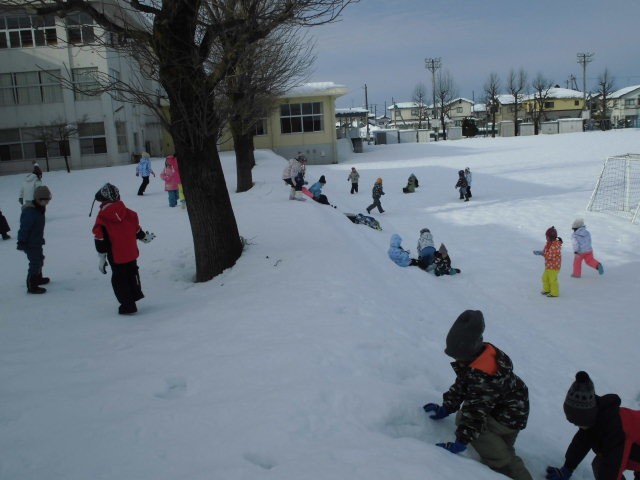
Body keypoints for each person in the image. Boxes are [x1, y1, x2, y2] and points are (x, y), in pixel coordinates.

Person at [424, 310, 533, 480]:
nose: (455, 359)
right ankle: (501, 453)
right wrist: (446, 408)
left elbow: (474, 413)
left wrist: (460, 443)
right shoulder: (478, 357)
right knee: (499, 445)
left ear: (468, 350)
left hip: (509, 417)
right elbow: (463, 384)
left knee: (501, 457)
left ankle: (505, 467)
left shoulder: (485, 376)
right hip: (502, 408)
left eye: (457, 355)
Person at [545, 371, 640, 480]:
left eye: (578, 422)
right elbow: (581, 443)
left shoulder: (614, 430)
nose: (577, 426)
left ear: (587, 417)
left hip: (632, 446)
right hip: (632, 449)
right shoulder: (594, 418)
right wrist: (567, 468)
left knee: (604, 465)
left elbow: (611, 468)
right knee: (599, 464)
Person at [91, 183, 155, 315]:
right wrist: (144, 237)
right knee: (132, 274)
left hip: (116, 255)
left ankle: (127, 304)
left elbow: (100, 239)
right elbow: (136, 229)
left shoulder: (102, 218)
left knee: (120, 279)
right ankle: (135, 295)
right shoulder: (129, 213)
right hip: (131, 252)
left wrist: (102, 258)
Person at [17, 186, 52, 294]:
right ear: (38, 199)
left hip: (36, 242)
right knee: (35, 263)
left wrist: (40, 238)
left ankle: (38, 278)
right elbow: (24, 228)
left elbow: (37, 227)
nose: (47, 203)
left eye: (48, 201)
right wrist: (21, 241)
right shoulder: (30, 212)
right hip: (29, 243)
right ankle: (32, 285)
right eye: (45, 201)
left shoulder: (39, 209)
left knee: (40, 259)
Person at [533, 226, 562, 297]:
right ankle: (547, 290)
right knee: (544, 278)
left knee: (552, 280)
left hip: (554, 267)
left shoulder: (555, 245)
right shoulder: (549, 243)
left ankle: (555, 293)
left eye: (547, 236)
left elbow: (550, 256)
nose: (546, 238)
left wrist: (542, 253)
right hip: (549, 266)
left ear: (551, 237)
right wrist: (541, 252)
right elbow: (546, 252)